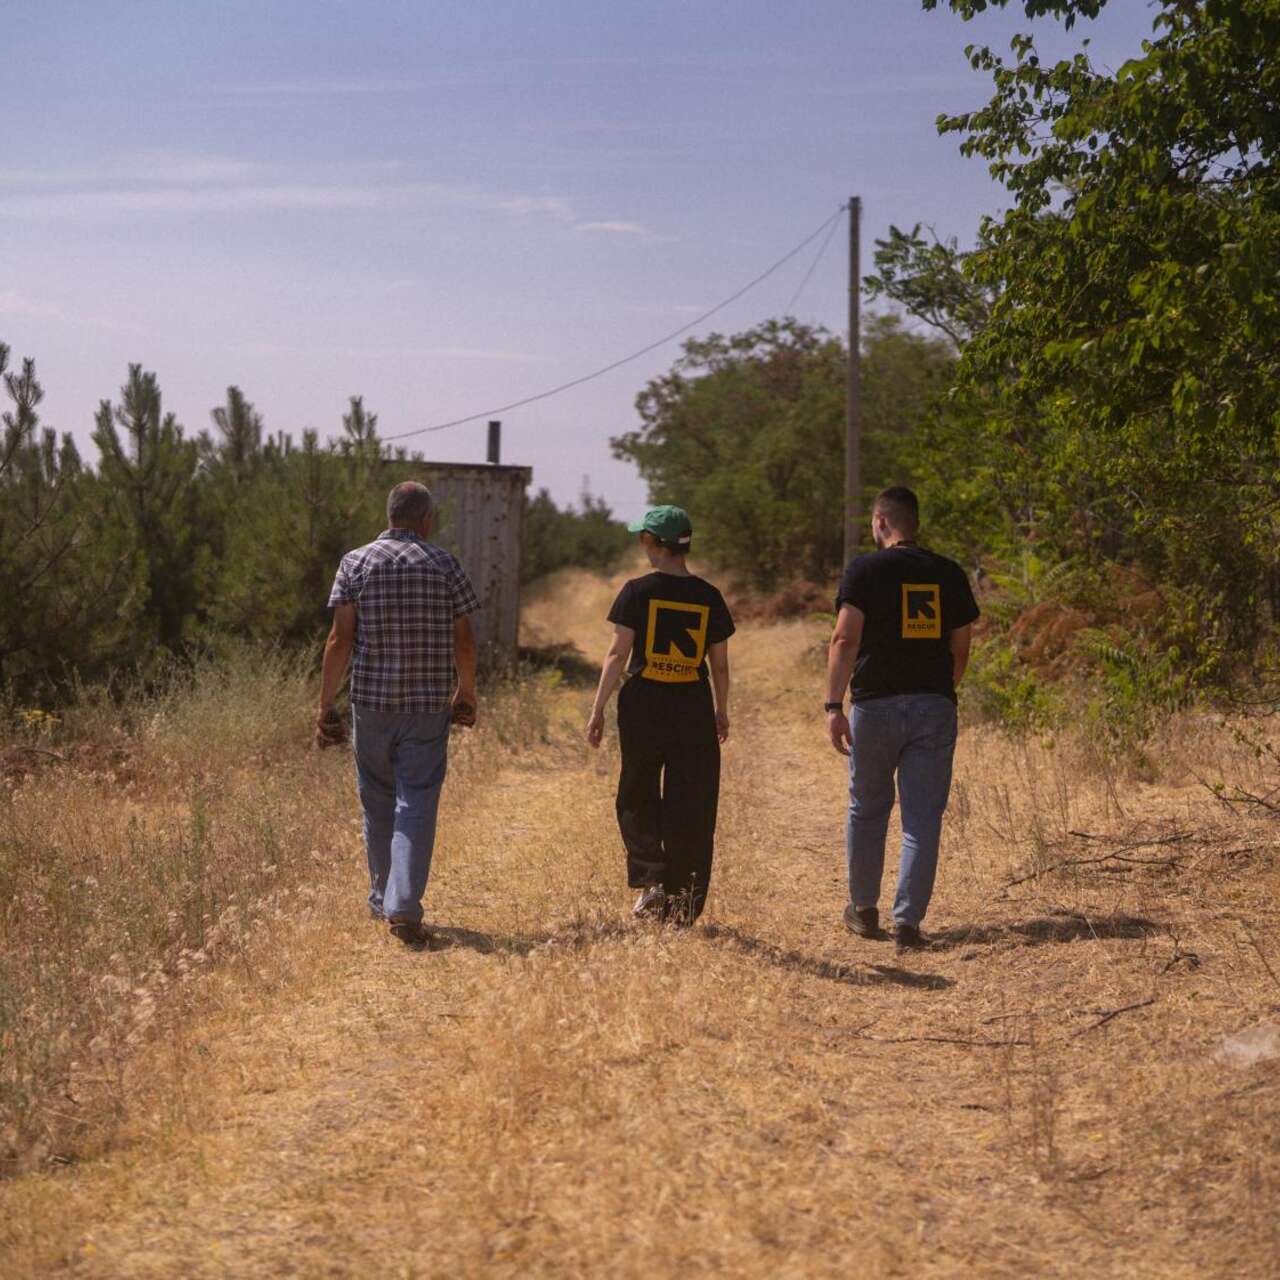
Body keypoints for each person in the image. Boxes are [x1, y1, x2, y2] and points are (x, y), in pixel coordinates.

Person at [318, 480, 480, 947]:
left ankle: (380, 898)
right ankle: (402, 905)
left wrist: (325, 704)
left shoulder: (355, 562)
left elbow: (339, 639)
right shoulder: (445, 564)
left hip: (371, 703)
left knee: (377, 800)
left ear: (389, 515)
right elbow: (464, 639)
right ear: (426, 520)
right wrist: (465, 692)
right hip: (427, 706)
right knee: (417, 802)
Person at [823, 486, 979, 952]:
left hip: (874, 706)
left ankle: (864, 911)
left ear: (881, 522)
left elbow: (844, 640)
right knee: (922, 817)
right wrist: (937, 692)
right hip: (934, 705)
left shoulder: (865, 570)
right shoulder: (948, 573)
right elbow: (962, 647)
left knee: (867, 809)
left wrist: (834, 705)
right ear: (915, 523)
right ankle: (907, 925)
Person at [585, 505, 734, 925]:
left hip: (645, 703)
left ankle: (651, 879)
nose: (641, 545)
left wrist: (597, 710)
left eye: (642, 538)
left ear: (655, 543)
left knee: (637, 791)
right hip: (691, 704)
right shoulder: (709, 596)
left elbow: (618, 654)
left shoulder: (636, 591)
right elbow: (719, 665)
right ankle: (683, 903)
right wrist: (721, 709)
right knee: (693, 801)